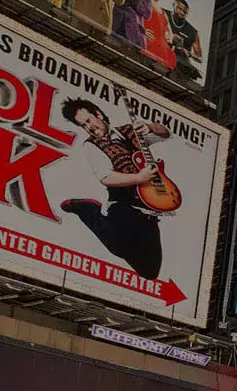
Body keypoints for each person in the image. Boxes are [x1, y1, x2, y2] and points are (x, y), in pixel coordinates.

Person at [59, 98, 173, 279]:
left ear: (98, 114)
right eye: (83, 125)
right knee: (119, 246)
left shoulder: (129, 131)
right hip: (122, 203)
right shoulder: (91, 145)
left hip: (148, 206)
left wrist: (150, 127)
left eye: (88, 120)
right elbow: (105, 177)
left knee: (150, 272)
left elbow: (165, 133)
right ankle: (87, 208)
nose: (89, 127)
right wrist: (139, 178)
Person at [117, 0, 178, 70]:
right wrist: (141, 30)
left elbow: (168, 33)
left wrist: (169, 36)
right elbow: (130, 16)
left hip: (162, 49)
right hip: (146, 44)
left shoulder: (164, 12)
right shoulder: (141, 1)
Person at [167, 0, 203, 80]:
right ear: (173, 5)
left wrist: (188, 53)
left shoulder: (192, 32)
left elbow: (200, 58)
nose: (182, 13)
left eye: (185, 12)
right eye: (179, 9)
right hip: (162, 54)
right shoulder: (164, 14)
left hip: (181, 65)